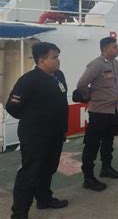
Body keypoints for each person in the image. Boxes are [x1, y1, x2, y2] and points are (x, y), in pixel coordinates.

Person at [6, 42, 69, 219]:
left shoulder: (58, 75)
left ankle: (44, 199)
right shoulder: (28, 80)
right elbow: (13, 107)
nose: (58, 60)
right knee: (30, 172)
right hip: (35, 135)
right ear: (42, 60)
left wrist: (62, 129)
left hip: (55, 133)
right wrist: (35, 120)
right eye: (54, 57)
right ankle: (19, 213)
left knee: (49, 168)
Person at [76, 36, 118, 192]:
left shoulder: (115, 64)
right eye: (115, 47)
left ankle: (106, 168)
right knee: (92, 145)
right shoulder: (96, 65)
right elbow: (82, 84)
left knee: (108, 141)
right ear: (105, 49)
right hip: (99, 112)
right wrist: (89, 96)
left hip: (113, 111)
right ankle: (88, 178)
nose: (117, 49)